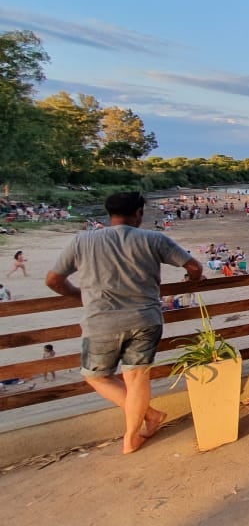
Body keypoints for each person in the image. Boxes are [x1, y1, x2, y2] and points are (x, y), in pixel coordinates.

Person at [44, 191, 204, 454]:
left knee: (95, 376)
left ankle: (149, 418)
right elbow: (194, 267)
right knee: (137, 377)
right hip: (146, 318)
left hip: (100, 321)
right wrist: (193, 281)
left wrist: (79, 295)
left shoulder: (82, 241)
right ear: (139, 213)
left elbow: (53, 280)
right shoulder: (154, 239)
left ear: (110, 214)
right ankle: (133, 435)